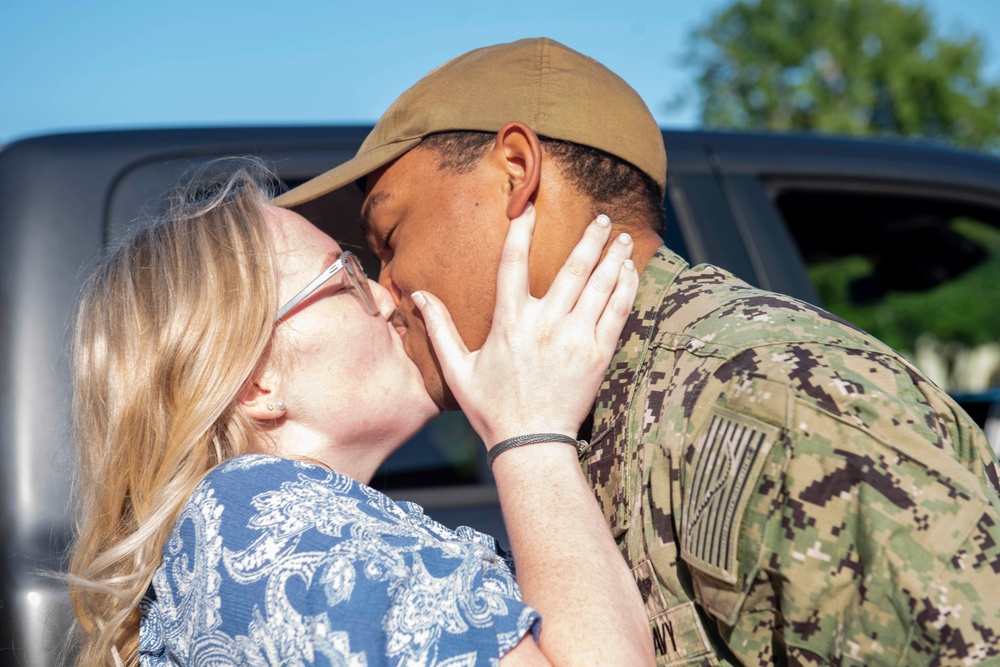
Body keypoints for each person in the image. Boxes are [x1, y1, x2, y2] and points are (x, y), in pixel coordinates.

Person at [275, 37, 1000, 665]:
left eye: (390, 237)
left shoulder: (777, 401)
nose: (384, 286)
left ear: (515, 173)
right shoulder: (595, 409)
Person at [68, 160, 655, 666]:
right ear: (255, 383)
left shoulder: (261, 527)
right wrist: (531, 433)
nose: (383, 293)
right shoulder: (256, 515)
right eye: (345, 275)